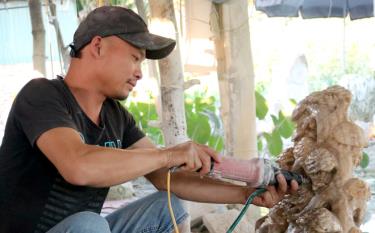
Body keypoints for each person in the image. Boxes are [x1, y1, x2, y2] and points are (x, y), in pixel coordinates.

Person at [0, 6, 298, 233]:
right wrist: (168, 154)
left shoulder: (116, 117)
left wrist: (246, 193)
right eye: (134, 57)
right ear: (98, 46)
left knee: (165, 208)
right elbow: (78, 166)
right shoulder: (42, 95)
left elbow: (167, 178)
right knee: (89, 225)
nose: (140, 72)